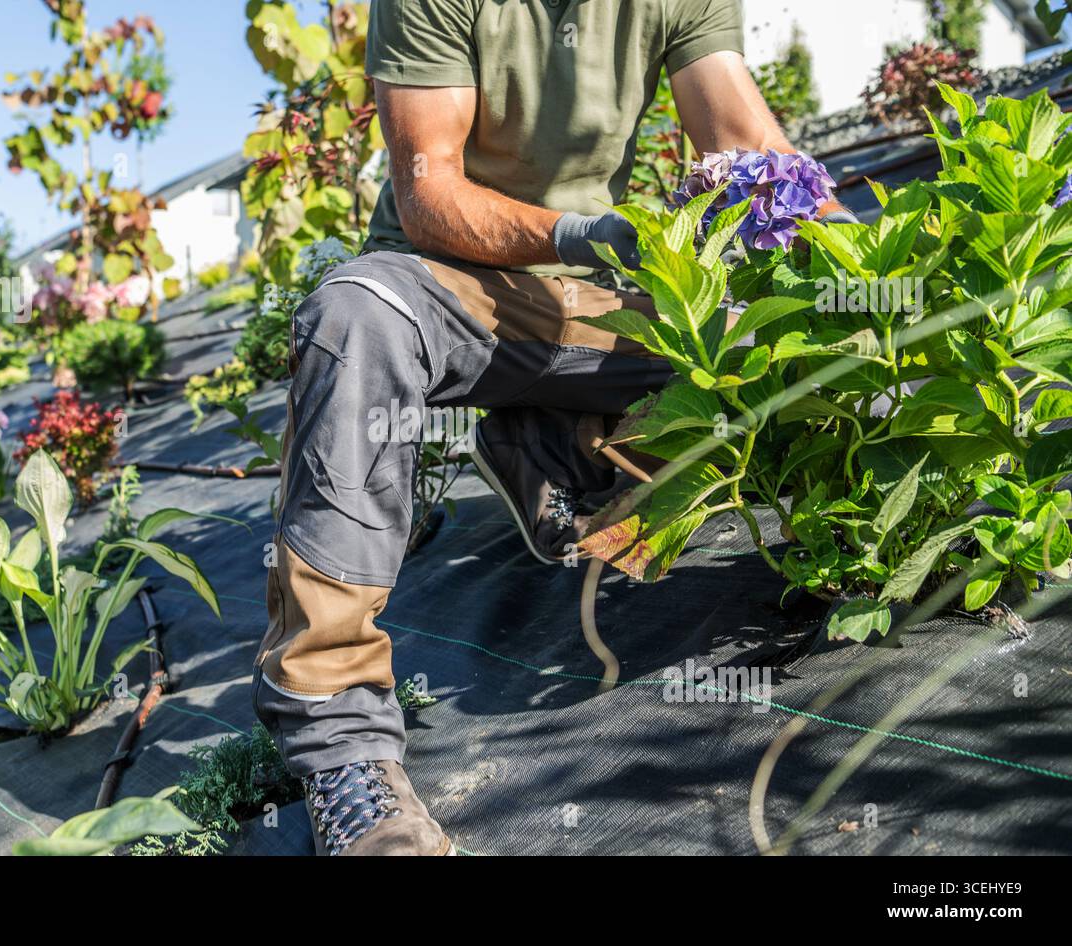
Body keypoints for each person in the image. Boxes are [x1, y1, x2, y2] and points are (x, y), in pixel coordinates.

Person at [252, 0, 855, 855]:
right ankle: (342, 746)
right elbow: (428, 186)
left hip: (593, 288)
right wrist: (582, 232)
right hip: (450, 286)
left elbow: (742, 136)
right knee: (356, 316)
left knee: (770, 336)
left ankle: (554, 450)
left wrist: (868, 277)